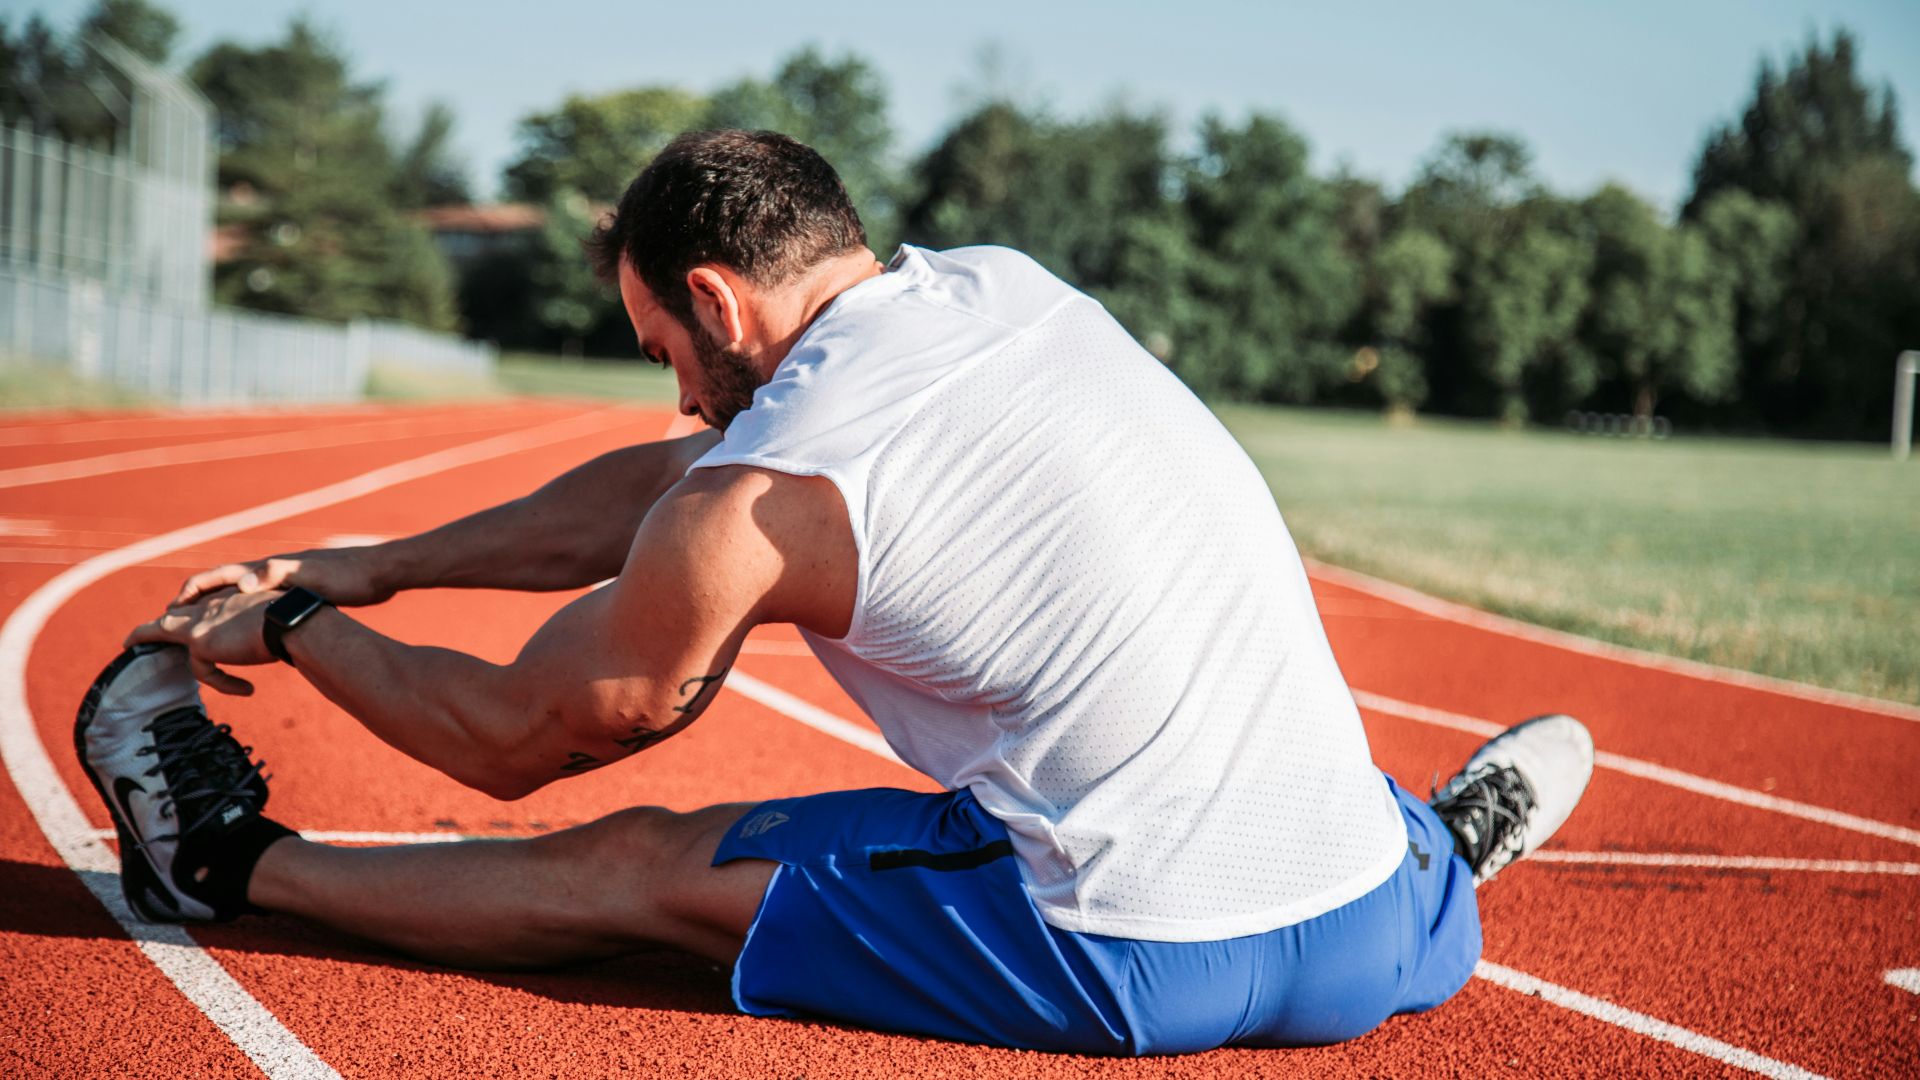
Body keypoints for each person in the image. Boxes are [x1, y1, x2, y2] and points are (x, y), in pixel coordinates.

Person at [79, 130, 1593, 1055]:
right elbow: (674, 488)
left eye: (663, 349)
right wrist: (378, 565)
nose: (673, 395)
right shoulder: (1002, 289)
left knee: (634, 868)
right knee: (1258, 732)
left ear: (720, 304)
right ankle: (1441, 853)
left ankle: (223, 867)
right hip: (1366, 938)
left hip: (1128, 950)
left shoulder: (757, 496)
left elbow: (515, 734)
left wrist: (294, 623)